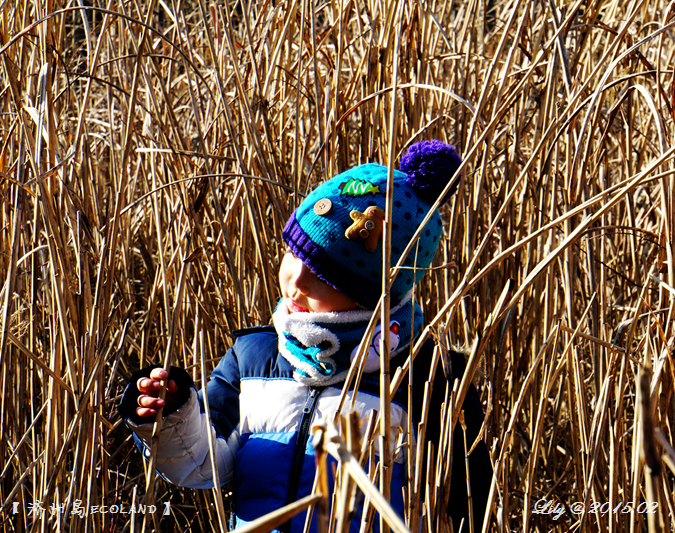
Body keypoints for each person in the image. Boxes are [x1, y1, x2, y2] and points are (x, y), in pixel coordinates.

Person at [120, 140, 492, 532]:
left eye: (322, 275)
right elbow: (202, 464)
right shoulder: (255, 355)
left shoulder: (426, 375)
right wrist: (173, 413)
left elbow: (468, 502)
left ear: (375, 292)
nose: (295, 282)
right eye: (294, 255)